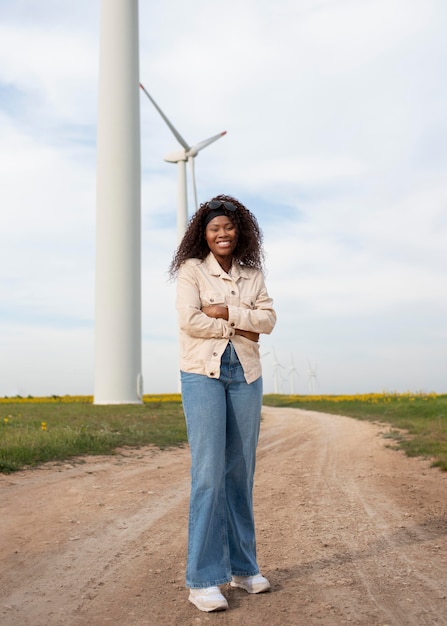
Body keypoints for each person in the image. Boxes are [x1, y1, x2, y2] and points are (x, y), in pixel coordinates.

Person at [168, 194, 277, 613]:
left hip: (246, 376)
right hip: (202, 376)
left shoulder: (253, 274)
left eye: (228, 227)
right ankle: (203, 579)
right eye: (214, 228)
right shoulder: (191, 272)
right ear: (204, 234)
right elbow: (189, 321)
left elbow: (268, 320)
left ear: (240, 231)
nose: (222, 234)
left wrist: (225, 310)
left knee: (240, 472)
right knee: (209, 473)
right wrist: (241, 325)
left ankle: (244, 568)